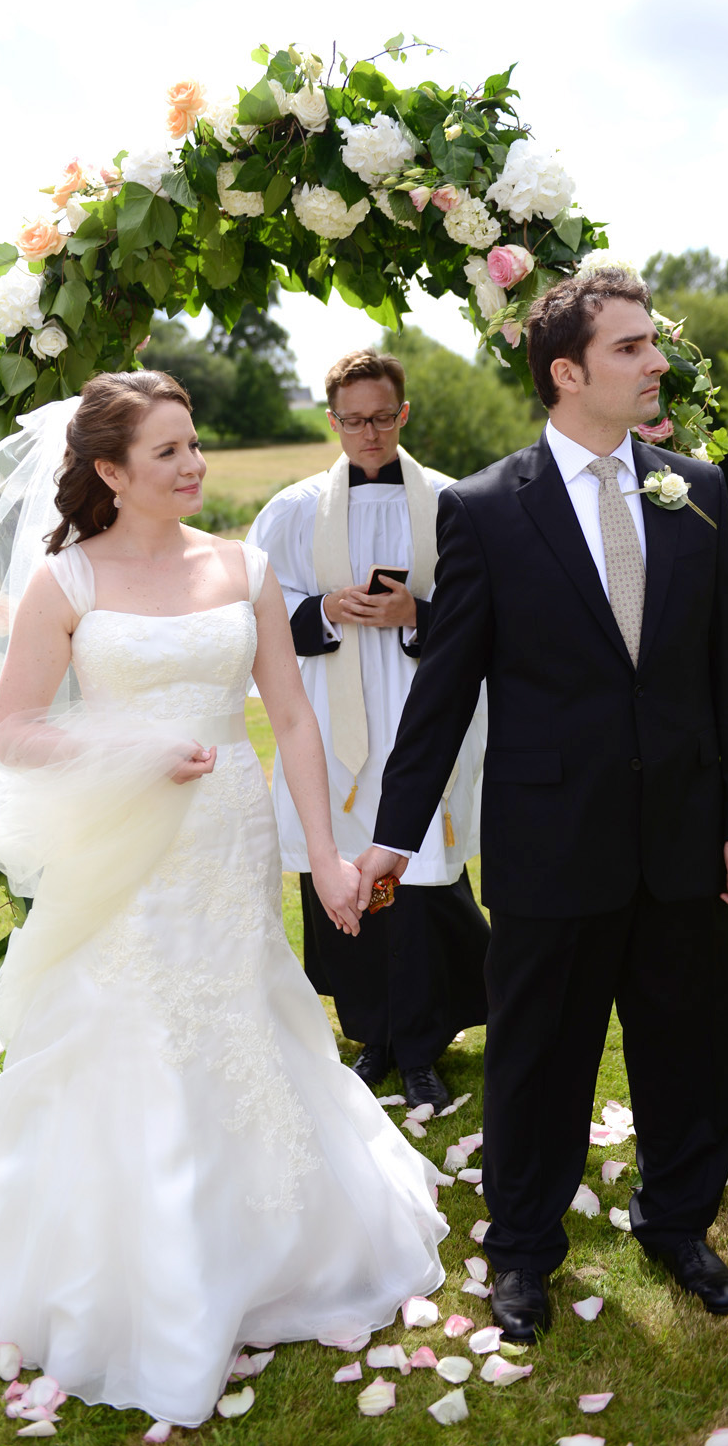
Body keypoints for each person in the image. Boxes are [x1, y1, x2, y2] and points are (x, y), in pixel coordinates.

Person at [0, 372, 446, 1429]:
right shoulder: (66, 582)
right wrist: (135, 747)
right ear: (109, 472)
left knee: (241, 1004)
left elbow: (288, 715)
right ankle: (142, 1252)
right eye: (168, 453)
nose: (193, 466)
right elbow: (13, 734)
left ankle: (277, 1240)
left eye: (195, 445)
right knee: (133, 1021)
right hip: (130, 841)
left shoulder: (245, 564)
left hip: (229, 832)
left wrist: (324, 858)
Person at [356, 269, 728, 1342]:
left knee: (686, 1048)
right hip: (550, 842)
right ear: (567, 372)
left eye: (651, 345)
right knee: (538, 1058)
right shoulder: (487, 510)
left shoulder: (698, 490)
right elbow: (443, 691)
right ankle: (523, 1251)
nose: (656, 363)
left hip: (683, 836)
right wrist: (392, 837)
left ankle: (677, 1223)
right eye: (632, 347)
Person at [246, 349, 489, 1115]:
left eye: (383, 417)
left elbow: (487, 611)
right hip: (329, 716)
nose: (370, 432)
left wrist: (416, 614)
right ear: (333, 422)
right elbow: (253, 613)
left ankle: (421, 1049)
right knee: (341, 873)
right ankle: (370, 1037)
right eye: (353, 420)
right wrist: (322, 611)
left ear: (404, 415)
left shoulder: (454, 503)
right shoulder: (291, 511)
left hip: (420, 712)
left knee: (416, 883)